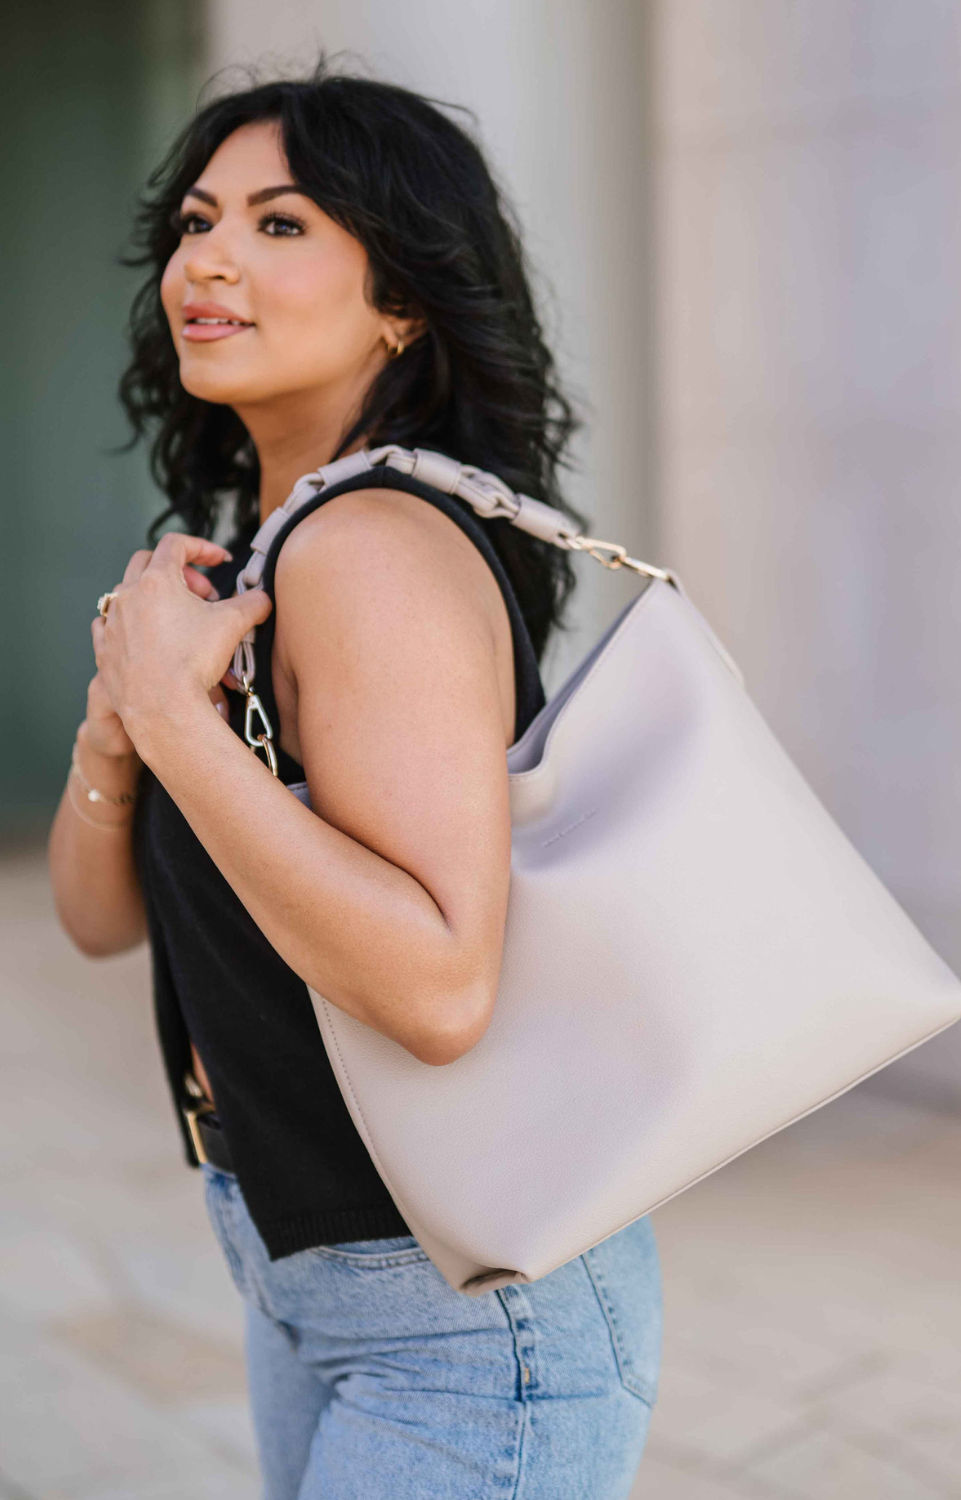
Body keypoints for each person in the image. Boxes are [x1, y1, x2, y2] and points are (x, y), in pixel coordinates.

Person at [48, 70, 662, 1500]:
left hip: (456, 1314)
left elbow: (441, 988)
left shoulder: (370, 545)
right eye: (198, 221)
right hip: (306, 1264)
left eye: (280, 224)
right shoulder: (256, 557)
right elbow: (100, 922)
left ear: (402, 300)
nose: (207, 259)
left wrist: (173, 717)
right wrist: (121, 729)